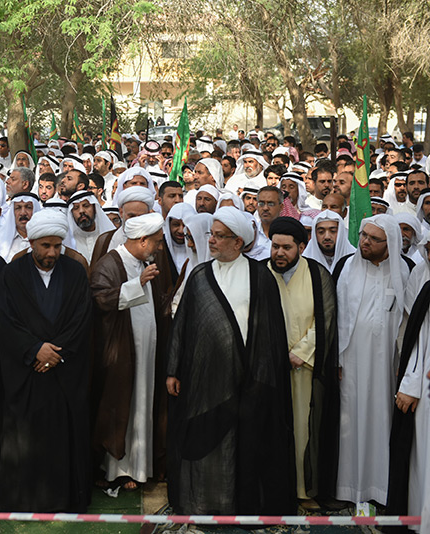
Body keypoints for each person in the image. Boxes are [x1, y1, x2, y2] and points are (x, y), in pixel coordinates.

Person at [166, 207, 296, 515]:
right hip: (203, 380)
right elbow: (182, 325)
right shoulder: (199, 275)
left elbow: (270, 333)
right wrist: (173, 370)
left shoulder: (260, 276)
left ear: (238, 242)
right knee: (205, 440)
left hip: (247, 380)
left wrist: (258, 378)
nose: (211, 241)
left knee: (244, 443)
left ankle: (242, 506)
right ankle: (204, 503)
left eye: (220, 236)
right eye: (211, 234)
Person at [0, 209, 92, 513]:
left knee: (64, 435)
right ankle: (24, 499)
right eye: (45, 246)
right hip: (27, 373)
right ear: (31, 242)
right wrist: (35, 349)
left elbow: (82, 319)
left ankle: (65, 499)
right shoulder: (13, 273)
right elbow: (5, 320)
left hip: (64, 370)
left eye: (57, 246)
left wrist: (55, 354)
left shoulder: (75, 272)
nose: (52, 253)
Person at [91, 212, 172, 491]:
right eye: (157, 242)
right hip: (122, 355)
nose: (160, 247)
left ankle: (141, 467)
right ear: (142, 240)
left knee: (144, 404)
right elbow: (100, 299)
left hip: (147, 353)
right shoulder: (109, 263)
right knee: (122, 407)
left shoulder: (146, 263)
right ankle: (118, 470)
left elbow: (156, 303)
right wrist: (137, 284)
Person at [334, 214, 409, 507]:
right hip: (350, 365)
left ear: (390, 244)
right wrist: (336, 360)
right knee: (349, 424)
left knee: (382, 422)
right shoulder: (346, 268)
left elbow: (408, 323)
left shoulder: (404, 271)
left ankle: (379, 489)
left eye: (374, 239)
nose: (365, 242)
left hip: (386, 369)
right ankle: (347, 489)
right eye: (363, 235)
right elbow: (335, 317)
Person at [267, 217, 339, 510]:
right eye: (275, 246)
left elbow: (326, 318)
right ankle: (271, 490)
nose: (279, 253)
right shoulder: (260, 272)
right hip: (267, 369)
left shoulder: (318, 275)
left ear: (302, 247)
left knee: (302, 431)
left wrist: (301, 352)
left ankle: (302, 490)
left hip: (303, 369)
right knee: (268, 429)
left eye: (286, 247)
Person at [67, 190, 115, 264]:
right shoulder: (69, 241)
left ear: (95, 208)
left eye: (86, 206)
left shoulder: (109, 236)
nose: (81, 211)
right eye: (76, 208)